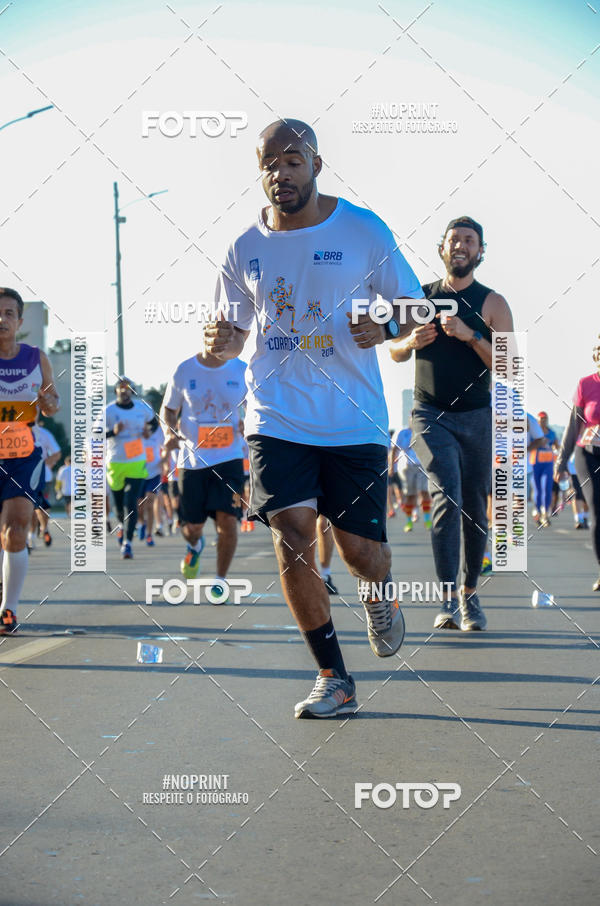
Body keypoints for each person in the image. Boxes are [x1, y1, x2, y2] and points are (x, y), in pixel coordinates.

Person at [209, 118, 423, 718]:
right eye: (270, 163)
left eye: (293, 160)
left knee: (360, 554)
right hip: (276, 416)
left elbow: (413, 308)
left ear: (317, 165)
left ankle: (381, 598)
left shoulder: (361, 229)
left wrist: (384, 326)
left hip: (352, 418)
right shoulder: (243, 247)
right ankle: (334, 674)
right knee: (294, 530)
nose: (282, 172)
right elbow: (228, 340)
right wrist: (217, 346)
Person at [390, 216, 514, 631]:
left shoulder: (493, 303)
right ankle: (445, 599)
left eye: (469, 240)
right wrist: (410, 342)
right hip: (429, 414)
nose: (460, 246)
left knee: (475, 506)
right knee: (448, 493)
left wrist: (470, 335)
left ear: (480, 251)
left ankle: (469, 595)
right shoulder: (420, 297)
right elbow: (393, 350)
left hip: (478, 416)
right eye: (453, 240)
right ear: (441, 249)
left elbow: (509, 366)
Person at [161, 348, 247, 600]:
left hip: (230, 458)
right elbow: (168, 409)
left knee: (228, 522)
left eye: (227, 331)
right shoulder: (185, 370)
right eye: (214, 331)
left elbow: (258, 405)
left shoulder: (241, 369)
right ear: (205, 335)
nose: (220, 337)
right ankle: (194, 545)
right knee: (193, 527)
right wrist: (168, 433)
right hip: (192, 461)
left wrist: (248, 420)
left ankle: (220, 580)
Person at [0, 288, 59, 635]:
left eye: (9, 313)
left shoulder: (37, 358)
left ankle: (9, 609)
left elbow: (51, 403)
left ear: (20, 321)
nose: (1, 319)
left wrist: (49, 404)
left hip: (23, 454)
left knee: (16, 530)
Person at [555, 338, 600, 590]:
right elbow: (573, 426)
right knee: (597, 511)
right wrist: (561, 461)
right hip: (589, 453)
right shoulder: (586, 384)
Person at [105, 377, 154, 559]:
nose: (124, 391)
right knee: (119, 506)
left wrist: (148, 431)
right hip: (115, 462)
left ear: (132, 391)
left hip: (136, 460)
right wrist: (113, 432)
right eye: (121, 388)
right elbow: (95, 433)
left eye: (127, 388)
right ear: (116, 390)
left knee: (130, 502)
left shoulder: (142, 408)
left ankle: (127, 543)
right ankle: (121, 525)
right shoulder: (108, 411)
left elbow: (154, 423)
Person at [391, 421, 432, 533]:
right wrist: (391, 467)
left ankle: (427, 520)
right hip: (407, 467)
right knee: (411, 495)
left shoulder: (424, 430)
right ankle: (409, 522)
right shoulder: (402, 433)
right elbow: (395, 449)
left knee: (425, 492)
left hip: (422, 466)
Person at [31, 419, 61, 548]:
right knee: (31, 507)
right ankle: (30, 537)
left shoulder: (44, 434)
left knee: (40, 507)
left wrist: (44, 464)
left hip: (44, 478)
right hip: (24, 477)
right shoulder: (17, 431)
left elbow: (57, 453)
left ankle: (44, 528)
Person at [137, 422, 164, 547]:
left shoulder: (158, 431)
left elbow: (166, 446)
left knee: (150, 502)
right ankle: (141, 523)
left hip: (154, 473)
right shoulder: (135, 429)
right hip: (137, 473)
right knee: (139, 506)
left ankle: (149, 534)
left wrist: (165, 459)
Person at [531, 411, 558, 527]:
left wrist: (558, 452)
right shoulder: (533, 433)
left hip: (548, 464)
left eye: (545, 419)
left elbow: (558, 446)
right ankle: (537, 510)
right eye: (541, 419)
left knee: (546, 488)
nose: (543, 421)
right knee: (537, 489)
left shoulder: (551, 433)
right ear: (537, 421)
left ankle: (545, 513)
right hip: (535, 464)